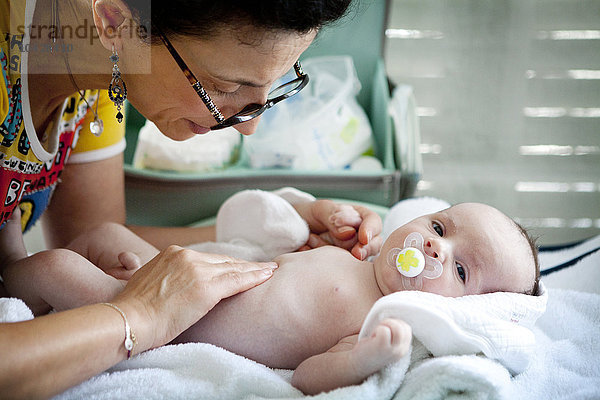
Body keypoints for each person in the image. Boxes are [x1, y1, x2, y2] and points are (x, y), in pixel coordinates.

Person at [0, 1, 388, 397]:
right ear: (114, 21)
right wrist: (137, 318)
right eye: (226, 87)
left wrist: (262, 242)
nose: (249, 127)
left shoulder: (100, 75)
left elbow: (92, 243)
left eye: (273, 84)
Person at [2, 199, 541, 395]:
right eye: (441, 226)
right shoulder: (362, 257)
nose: (433, 246)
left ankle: (13, 294)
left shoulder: (378, 315)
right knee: (103, 236)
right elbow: (275, 229)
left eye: (462, 268)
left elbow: (308, 377)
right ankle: (43, 311)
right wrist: (320, 209)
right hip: (178, 279)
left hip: (175, 321)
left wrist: (364, 357)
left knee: (55, 265)